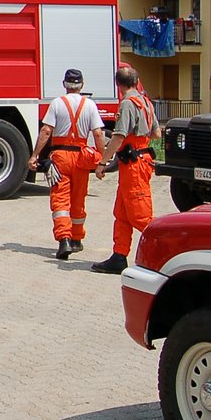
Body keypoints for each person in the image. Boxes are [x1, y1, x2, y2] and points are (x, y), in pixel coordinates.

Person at [28, 68, 107, 261]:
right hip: (81, 157)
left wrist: (35, 155)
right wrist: (102, 160)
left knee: (60, 200)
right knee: (79, 198)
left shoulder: (57, 103)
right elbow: (98, 134)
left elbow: (46, 131)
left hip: (60, 157)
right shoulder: (90, 105)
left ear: (64, 84)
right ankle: (77, 240)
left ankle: (64, 239)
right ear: (82, 85)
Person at [90, 65, 159, 274]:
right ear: (136, 82)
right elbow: (156, 133)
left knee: (140, 216)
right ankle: (119, 256)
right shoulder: (145, 102)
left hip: (134, 164)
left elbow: (118, 137)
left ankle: (163, 251)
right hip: (139, 161)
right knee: (122, 213)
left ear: (117, 84)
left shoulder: (128, 104)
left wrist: (103, 161)